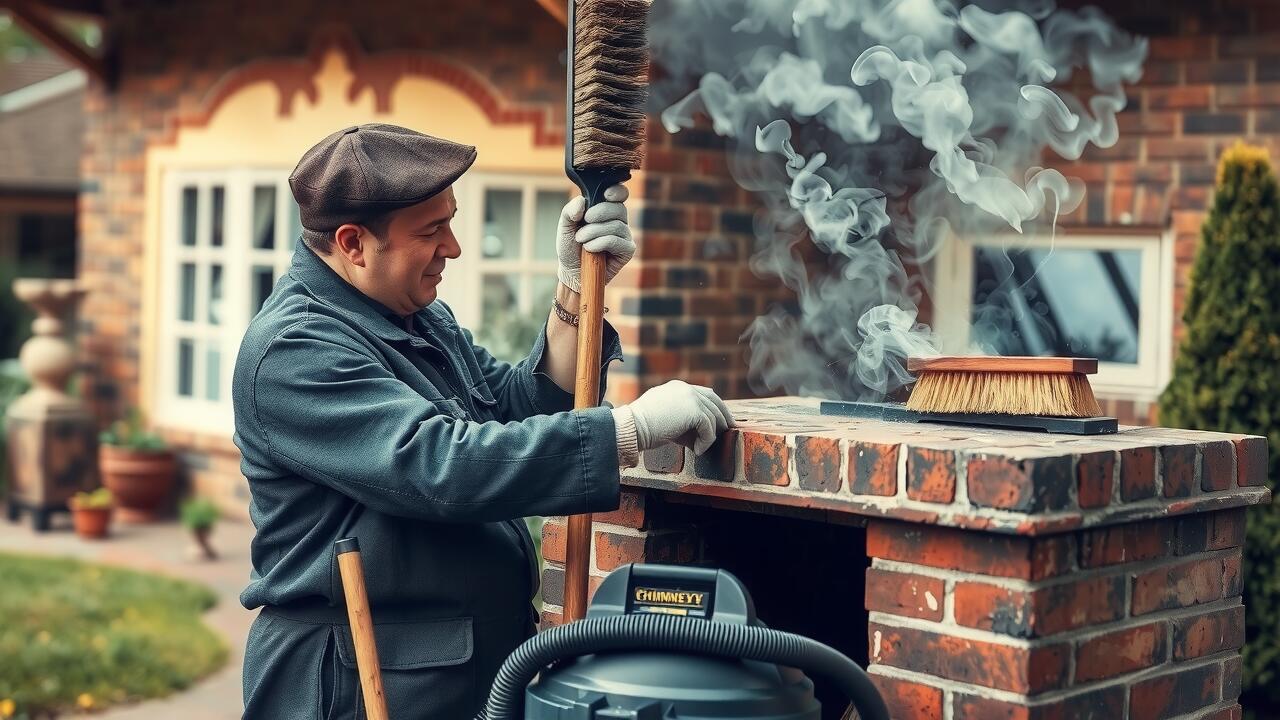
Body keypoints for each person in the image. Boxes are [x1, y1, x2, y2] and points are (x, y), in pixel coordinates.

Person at [232, 123, 734, 719]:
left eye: (450, 221)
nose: (454, 246)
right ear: (353, 243)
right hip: (359, 687)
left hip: (442, 674)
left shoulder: (415, 317)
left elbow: (523, 406)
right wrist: (629, 429)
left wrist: (575, 293)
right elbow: (441, 467)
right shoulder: (294, 349)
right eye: (430, 230)